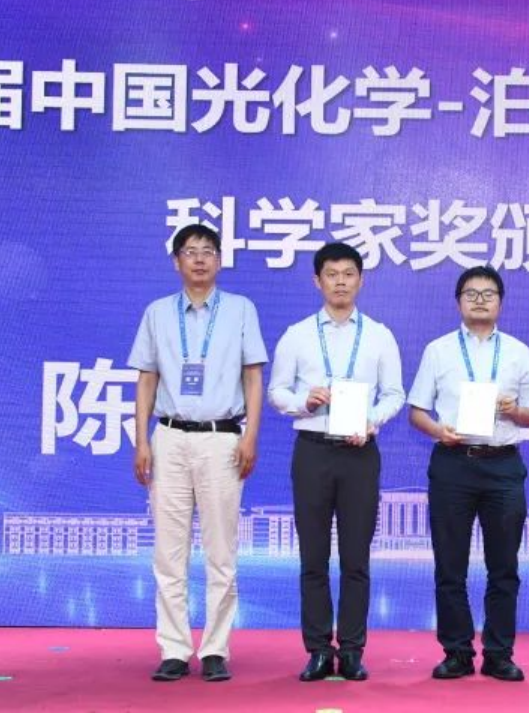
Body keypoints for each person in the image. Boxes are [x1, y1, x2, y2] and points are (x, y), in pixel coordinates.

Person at [128, 223, 267, 683]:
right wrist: (142, 439)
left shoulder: (241, 309)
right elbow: (147, 378)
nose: (200, 259)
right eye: (190, 251)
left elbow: (253, 376)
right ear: (176, 262)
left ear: (220, 260)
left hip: (221, 438)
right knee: (168, 552)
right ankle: (173, 648)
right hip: (169, 437)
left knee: (220, 550)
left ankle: (214, 649)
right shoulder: (156, 312)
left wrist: (250, 435)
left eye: (208, 251)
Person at [268, 242, 405, 682]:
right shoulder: (297, 335)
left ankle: (351, 650)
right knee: (313, 556)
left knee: (355, 558)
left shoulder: (380, 335)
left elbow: (395, 394)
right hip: (312, 450)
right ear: (317, 281)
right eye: (332, 274)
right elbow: (276, 392)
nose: (340, 282)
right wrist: (303, 402)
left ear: (361, 280)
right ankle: (316, 650)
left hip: (359, 453)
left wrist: (372, 421)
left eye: (348, 274)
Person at [407, 266, 529, 682]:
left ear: (500, 302)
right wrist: (439, 431)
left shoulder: (518, 351)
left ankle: (499, 653)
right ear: (458, 302)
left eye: (488, 294)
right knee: (450, 566)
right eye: (471, 293)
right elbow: (416, 412)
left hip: (503, 465)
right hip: (453, 463)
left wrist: (514, 411)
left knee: (504, 567)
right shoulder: (438, 350)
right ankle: (457, 651)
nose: (480, 300)